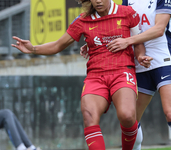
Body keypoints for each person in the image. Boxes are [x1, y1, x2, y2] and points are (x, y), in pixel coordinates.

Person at [11, 0, 152, 149]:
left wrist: (141, 56)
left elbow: (138, 43)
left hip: (122, 71)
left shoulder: (127, 13)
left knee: (128, 116)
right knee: (89, 116)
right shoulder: (82, 20)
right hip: (96, 76)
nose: (98, 0)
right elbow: (58, 45)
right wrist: (33, 49)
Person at [105, 0, 171, 150]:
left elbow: (159, 29)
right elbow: (123, 26)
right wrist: (92, 43)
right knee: (130, 120)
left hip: (165, 61)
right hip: (138, 62)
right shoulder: (127, 1)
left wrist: (128, 41)